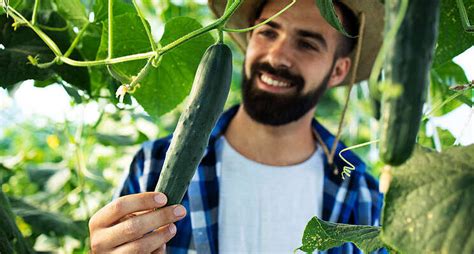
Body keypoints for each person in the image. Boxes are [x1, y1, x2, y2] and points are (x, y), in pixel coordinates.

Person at [88, 0, 385, 253]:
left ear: (338, 70)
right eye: (268, 32)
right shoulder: (152, 165)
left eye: (306, 44)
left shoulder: (363, 194)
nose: (277, 56)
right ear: (250, 35)